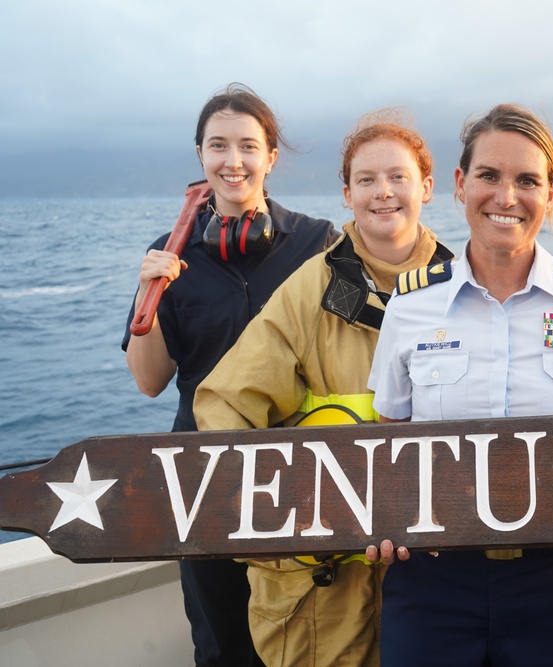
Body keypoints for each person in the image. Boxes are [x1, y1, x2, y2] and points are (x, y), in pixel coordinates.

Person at [366, 103, 553, 667]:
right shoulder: (411, 304)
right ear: (462, 184)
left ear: (552, 193)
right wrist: (386, 517)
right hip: (435, 578)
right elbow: (387, 436)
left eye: (527, 181)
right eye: (489, 175)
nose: (507, 197)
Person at [193, 110, 453, 667]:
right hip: (322, 591)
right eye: (366, 180)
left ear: (426, 187)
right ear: (346, 194)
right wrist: (289, 533)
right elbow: (225, 408)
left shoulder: (465, 291)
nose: (383, 192)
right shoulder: (307, 290)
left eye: (398, 177)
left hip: (435, 586)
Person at [123, 83, 338, 667]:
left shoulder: (322, 243)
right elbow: (148, 380)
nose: (233, 160)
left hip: (301, 469)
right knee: (220, 642)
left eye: (248, 145)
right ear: (200, 155)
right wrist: (150, 292)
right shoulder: (167, 253)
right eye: (218, 145)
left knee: (313, 637)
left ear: (272, 156)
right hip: (202, 475)